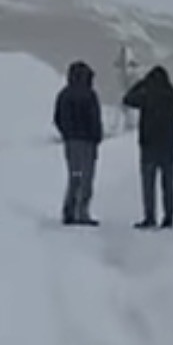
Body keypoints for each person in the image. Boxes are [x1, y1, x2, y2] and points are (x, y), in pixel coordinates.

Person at [123, 64, 173, 229]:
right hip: (167, 146)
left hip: (148, 145)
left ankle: (149, 217)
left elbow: (128, 99)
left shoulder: (146, 95)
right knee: (168, 185)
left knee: (148, 185)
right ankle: (168, 217)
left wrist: (141, 84)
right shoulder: (170, 95)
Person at [52, 60, 104, 225]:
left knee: (74, 176)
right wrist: (96, 137)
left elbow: (58, 118)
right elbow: (95, 119)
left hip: (71, 142)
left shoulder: (64, 94)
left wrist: (67, 134)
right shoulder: (90, 94)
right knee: (86, 178)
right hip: (87, 143)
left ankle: (69, 210)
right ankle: (82, 212)